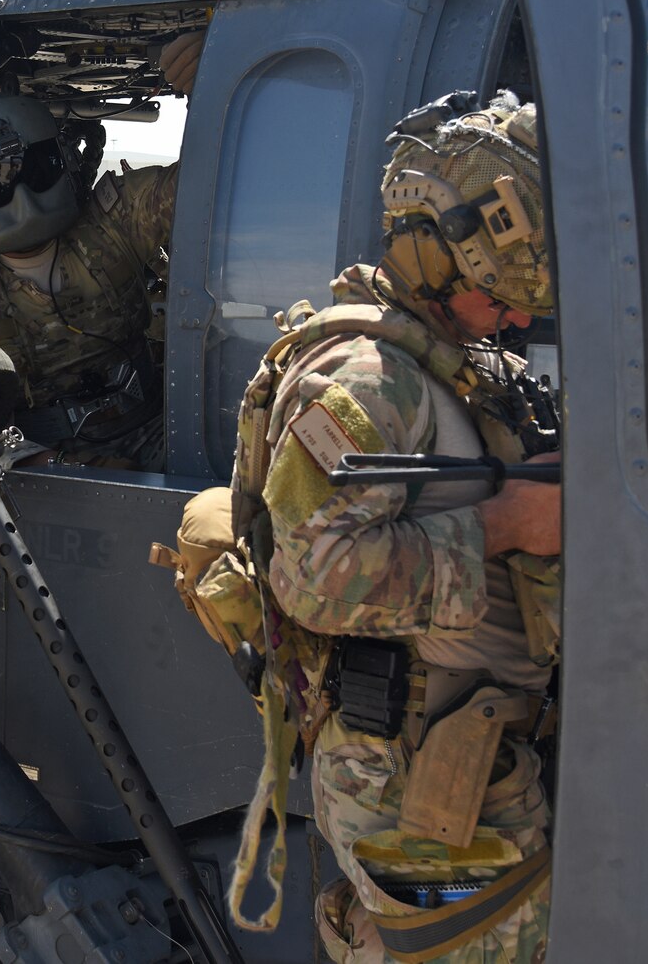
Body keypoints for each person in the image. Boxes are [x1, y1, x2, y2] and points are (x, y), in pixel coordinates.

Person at [230, 92, 562, 963]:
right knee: (463, 945)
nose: (520, 318)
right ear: (431, 252)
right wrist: (507, 524)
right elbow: (312, 574)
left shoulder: (466, 365)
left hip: (472, 750)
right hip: (412, 774)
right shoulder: (368, 380)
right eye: (499, 294)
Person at [0, 31, 201, 467]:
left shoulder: (114, 220)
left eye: (33, 168)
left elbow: (204, 190)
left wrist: (206, 88)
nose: (20, 196)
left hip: (159, 425)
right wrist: (54, 467)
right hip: (51, 465)